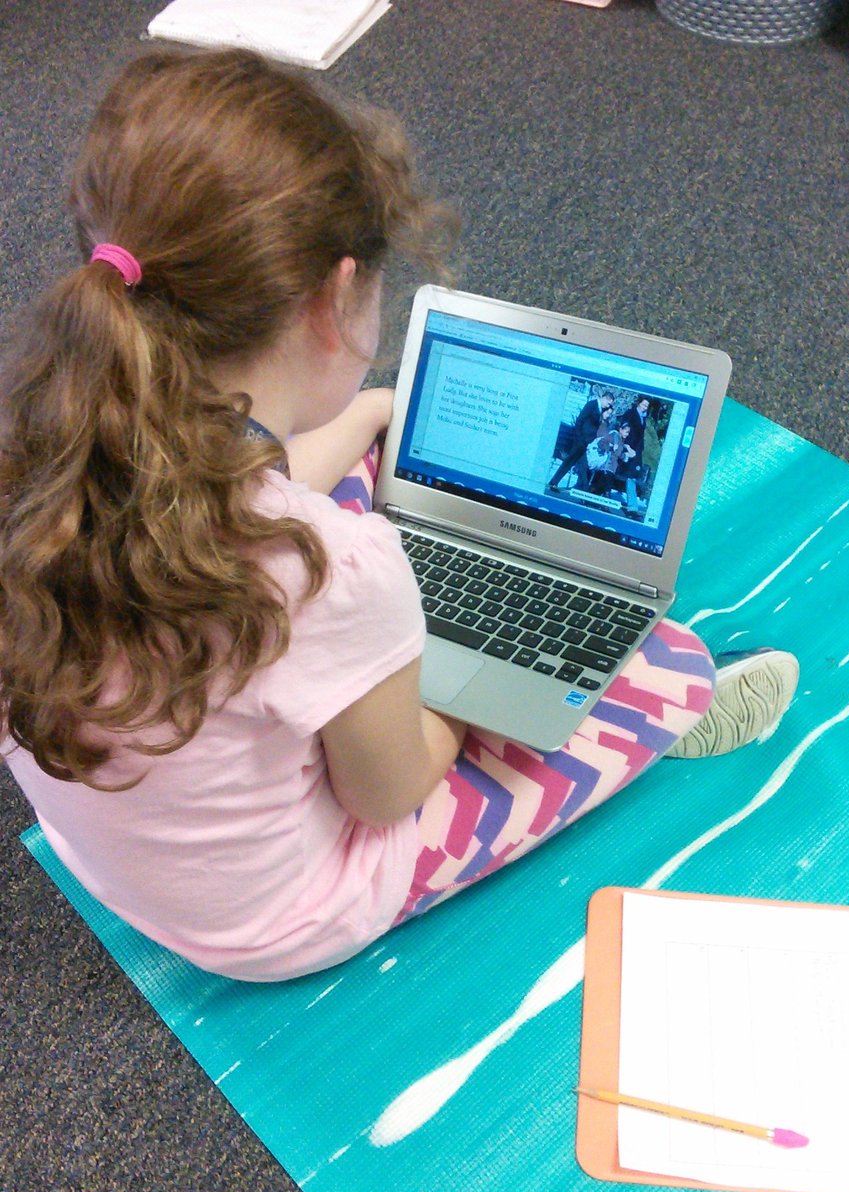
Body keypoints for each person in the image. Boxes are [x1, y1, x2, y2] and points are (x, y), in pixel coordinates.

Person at [0, 48, 799, 983]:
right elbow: (385, 797)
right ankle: (669, 720)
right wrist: (460, 682)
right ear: (336, 297)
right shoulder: (334, 565)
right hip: (278, 921)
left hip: (120, 858)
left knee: (369, 471)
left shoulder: (51, 455)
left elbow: (234, 491)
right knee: (667, 667)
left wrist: (376, 413)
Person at [548, 388, 613, 493]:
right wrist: (579, 438)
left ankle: (580, 490)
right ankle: (555, 483)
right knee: (571, 462)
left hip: (585, 442)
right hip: (580, 440)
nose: (608, 406)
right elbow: (580, 420)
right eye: (608, 403)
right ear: (605, 398)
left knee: (581, 466)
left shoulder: (599, 409)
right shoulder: (591, 405)